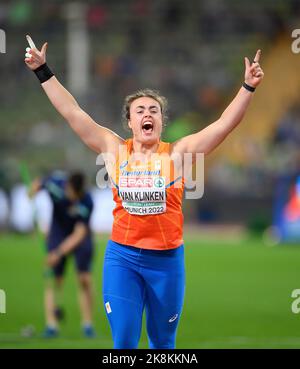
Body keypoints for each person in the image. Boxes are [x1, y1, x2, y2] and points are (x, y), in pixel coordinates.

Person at [24, 38, 264, 348]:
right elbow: (72, 112)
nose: (147, 114)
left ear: (162, 121)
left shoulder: (178, 154)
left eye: (154, 110)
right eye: (140, 110)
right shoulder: (113, 149)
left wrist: (247, 87)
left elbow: (223, 126)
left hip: (166, 263)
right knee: (124, 342)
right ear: (130, 121)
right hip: (122, 259)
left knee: (163, 344)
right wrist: (42, 69)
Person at [30, 170, 96, 338]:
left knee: (84, 279)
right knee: (53, 279)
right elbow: (37, 185)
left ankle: (88, 325)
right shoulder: (55, 185)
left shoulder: (87, 200)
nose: (75, 198)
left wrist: (58, 253)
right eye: (73, 194)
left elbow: (79, 234)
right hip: (58, 232)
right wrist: (32, 194)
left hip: (80, 237)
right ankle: (52, 325)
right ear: (67, 187)